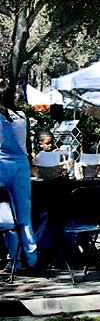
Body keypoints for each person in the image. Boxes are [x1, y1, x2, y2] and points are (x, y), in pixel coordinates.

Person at [0, 79, 35, 269]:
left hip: (2, 165)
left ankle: (15, 258)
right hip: (21, 166)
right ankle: (31, 257)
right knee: (24, 215)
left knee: (5, 215)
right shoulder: (21, 116)